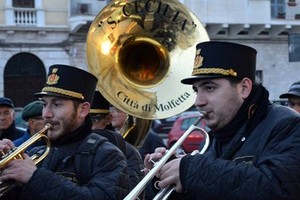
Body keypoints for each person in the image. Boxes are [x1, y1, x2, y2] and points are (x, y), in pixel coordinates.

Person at [144, 41, 300, 200]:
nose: (198, 101)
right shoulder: (215, 137)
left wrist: (192, 171)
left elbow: (279, 189)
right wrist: (165, 176)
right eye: (196, 90)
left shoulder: (287, 124)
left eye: (209, 88)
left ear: (244, 88)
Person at [0, 64, 129, 200]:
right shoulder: (36, 153)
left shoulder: (108, 155)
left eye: (57, 105)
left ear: (83, 110)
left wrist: (35, 177)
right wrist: (7, 169)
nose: (46, 114)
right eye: (44, 104)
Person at [95, 97, 144, 198]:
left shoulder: (128, 151)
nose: (88, 126)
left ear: (107, 119)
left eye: (94, 119)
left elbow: (131, 194)